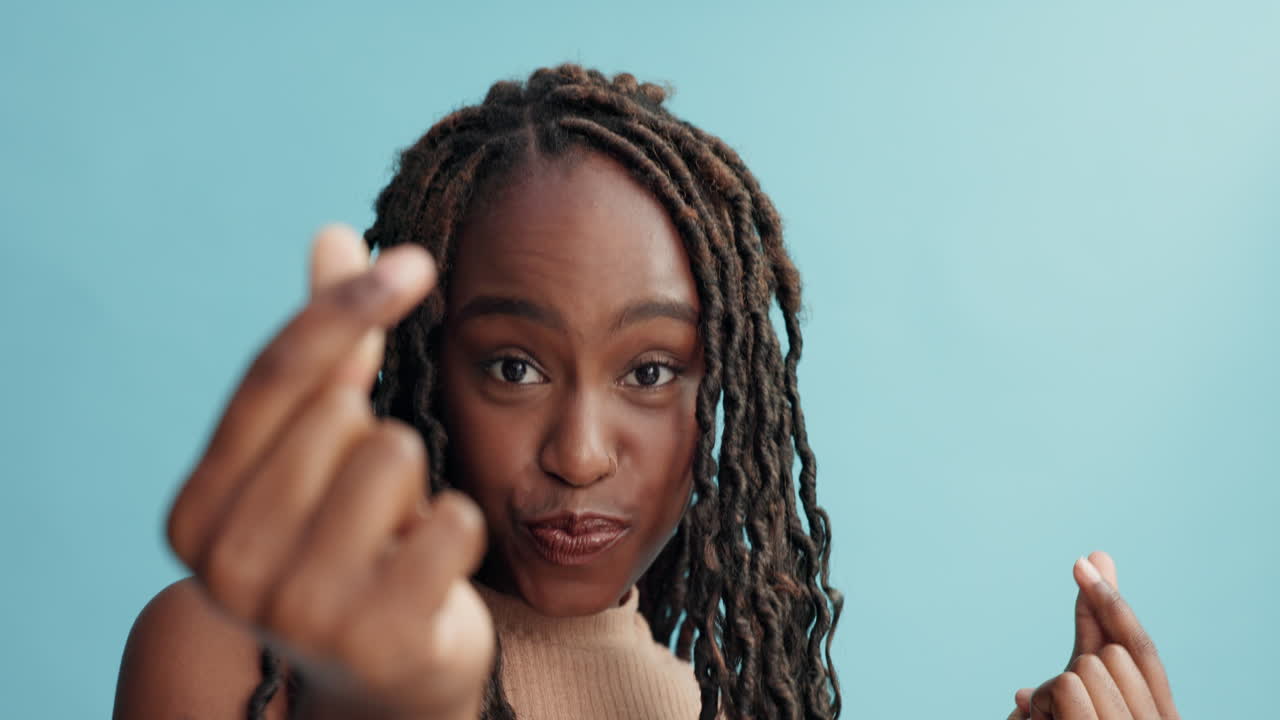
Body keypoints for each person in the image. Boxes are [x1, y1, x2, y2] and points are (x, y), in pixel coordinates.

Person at [112, 64, 1181, 720]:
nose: (579, 454)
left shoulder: (719, 706)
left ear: (718, 400)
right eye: (512, 367)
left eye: (650, 371)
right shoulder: (234, 661)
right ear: (420, 372)